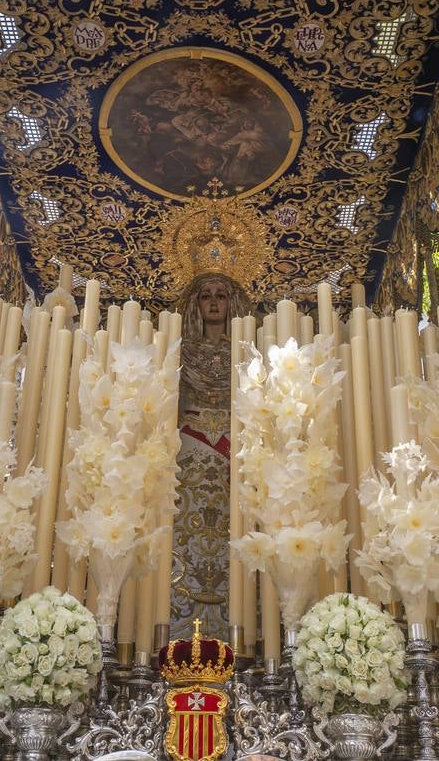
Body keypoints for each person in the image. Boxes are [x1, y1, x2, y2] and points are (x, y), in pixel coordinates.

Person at [171, 274, 250, 639]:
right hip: (190, 453)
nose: (214, 302)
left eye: (221, 296)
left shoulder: (247, 353)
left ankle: (242, 624)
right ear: (195, 305)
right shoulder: (181, 352)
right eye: (206, 296)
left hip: (236, 453)